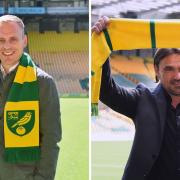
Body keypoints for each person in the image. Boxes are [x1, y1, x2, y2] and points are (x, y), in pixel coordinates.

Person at [92, 17, 180, 180]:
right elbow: (107, 91)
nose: (177, 76)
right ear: (156, 70)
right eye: (169, 69)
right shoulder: (143, 99)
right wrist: (103, 43)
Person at [0, 15, 61, 180]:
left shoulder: (43, 83)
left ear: (24, 41)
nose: (6, 46)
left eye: (13, 39)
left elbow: (51, 139)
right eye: (1, 40)